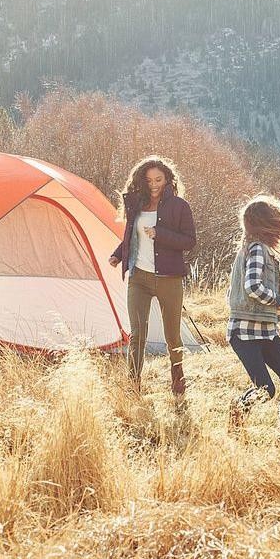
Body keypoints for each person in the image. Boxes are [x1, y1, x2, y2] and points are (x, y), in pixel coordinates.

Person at [107, 156, 197, 396]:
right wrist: (117, 255)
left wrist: (160, 233)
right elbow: (132, 236)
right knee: (137, 334)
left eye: (158, 179)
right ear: (142, 181)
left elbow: (190, 241)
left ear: (167, 179)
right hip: (139, 278)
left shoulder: (179, 206)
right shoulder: (136, 204)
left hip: (169, 279)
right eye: (149, 180)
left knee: (172, 336)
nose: (154, 184)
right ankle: (133, 385)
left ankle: (177, 378)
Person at [227, 195, 280, 438]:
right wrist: (278, 301)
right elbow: (253, 287)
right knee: (265, 388)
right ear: (266, 224)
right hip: (244, 334)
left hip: (265, 332)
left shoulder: (255, 249)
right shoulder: (258, 250)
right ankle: (237, 412)